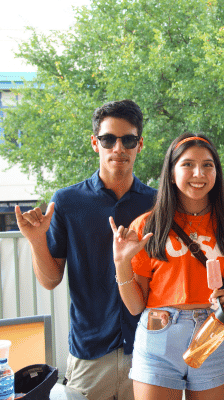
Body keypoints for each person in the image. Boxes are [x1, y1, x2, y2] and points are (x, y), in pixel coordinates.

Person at [14, 99, 156, 400]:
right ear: (95, 143)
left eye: (128, 139)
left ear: (139, 145)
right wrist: (37, 240)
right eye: (108, 139)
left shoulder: (158, 203)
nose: (118, 148)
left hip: (149, 346)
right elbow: (50, 280)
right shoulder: (67, 201)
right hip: (89, 351)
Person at [110, 133, 224, 400]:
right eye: (187, 164)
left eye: (207, 165)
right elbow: (135, 306)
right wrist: (121, 262)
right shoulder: (147, 226)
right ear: (171, 173)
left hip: (214, 331)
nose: (198, 173)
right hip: (159, 333)